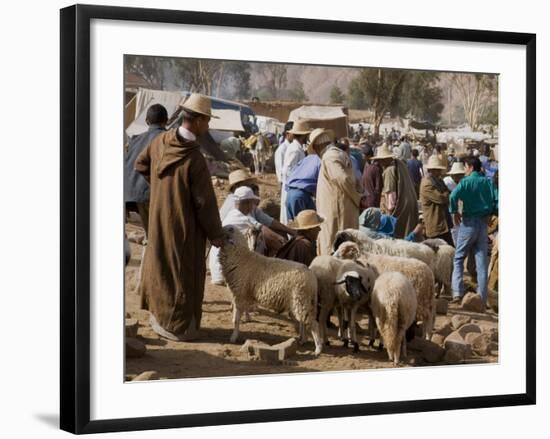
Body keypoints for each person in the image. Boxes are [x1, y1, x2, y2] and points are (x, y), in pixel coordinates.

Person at [135, 93, 224, 341]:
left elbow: (141, 166)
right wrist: (216, 235)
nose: (207, 126)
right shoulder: (194, 158)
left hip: (158, 219)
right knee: (182, 274)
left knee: (161, 267)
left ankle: (158, 319)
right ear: (197, 121)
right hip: (183, 227)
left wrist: (162, 191)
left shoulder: (159, 142)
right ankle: (179, 327)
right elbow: (205, 202)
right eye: (207, 121)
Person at [449, 156, 499, 307]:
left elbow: (453, 196)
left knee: (458, 258)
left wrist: (454, 211)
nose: (464, 170)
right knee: (481, 263)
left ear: (470, 167)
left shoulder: (465, 182)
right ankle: (482, 298)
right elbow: (498, 200)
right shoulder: (488, 182)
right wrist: (493, 212)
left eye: (465, 167)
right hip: (483, 224)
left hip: (468, 223)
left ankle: (457, 292)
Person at [220, 169, 296, 254]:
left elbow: (269, 221)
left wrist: (291, 231)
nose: (250, 186)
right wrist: (284, 244)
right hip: (232, 249)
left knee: (279, 233)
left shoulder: (247, 202)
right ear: (238, 186)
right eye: (247, 184)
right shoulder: (236, 205)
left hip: (242, 242)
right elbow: (262, 229)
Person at [316, 137, 365, 255]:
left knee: (334, 242)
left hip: (337, 209)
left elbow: (343, 179)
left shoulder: (330, 157)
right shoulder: (333, 157)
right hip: (336, 206)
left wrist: (357, 197)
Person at [124, 104, 168, 236]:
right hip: (154, 193)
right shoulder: (169, 139)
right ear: (167, 120)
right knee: (159, 236)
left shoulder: (135, 140)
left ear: (147, 121)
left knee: (152, 234)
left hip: (134, 193)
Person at [209, 186, 263, 285]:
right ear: (246, 203)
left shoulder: (232, 214)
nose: (253, 206)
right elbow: (264, 229)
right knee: (259, 237)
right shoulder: (244, 218)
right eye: (252, 203)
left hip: (217, 273)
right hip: (226, 275)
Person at [285, 128, 332, 220]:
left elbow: (292, 172)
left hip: (291, 194)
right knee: (308, 227)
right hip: (301, 196)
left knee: (295, 227)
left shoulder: (308, 158)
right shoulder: (322, 161)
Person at [374, 143, 419, 239]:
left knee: (400, 236)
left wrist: (389, 214)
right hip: (410, 202)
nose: (379, 163)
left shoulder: (389, 170)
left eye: (380, 160)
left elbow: (391, 195)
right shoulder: (400, 163)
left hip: (401, 207)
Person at [280, 120, 312, 224]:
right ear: (303, 135)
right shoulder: (295, 149)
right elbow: (288, 170)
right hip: (293, 189)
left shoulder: (298, 148)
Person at [420, 155, 453, 246]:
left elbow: (446, 193)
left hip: (443, 221)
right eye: (437, 170)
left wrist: (445, 194)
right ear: (431, 170)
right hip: (435, 223)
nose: (439, 172)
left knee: (448, 249)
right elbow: (441, 199)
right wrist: (446, 194)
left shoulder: (438, 180)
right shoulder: (427, 183)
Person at [443, 161, 466, 245]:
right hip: (451, 209)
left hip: (461, 209)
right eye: (458, 175)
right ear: (453, 175)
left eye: (461, 175)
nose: (460, 177)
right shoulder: (447, 182)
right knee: (453, 228)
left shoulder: (463, 182)